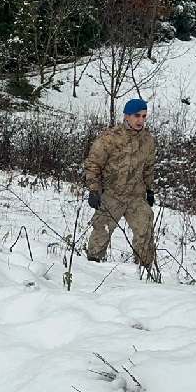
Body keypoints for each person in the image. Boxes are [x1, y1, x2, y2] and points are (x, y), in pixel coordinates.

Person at [84, 97, 157, 268]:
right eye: (137, 116)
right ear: (126, 116)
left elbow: (149, 167)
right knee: (101, 230)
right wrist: (94, 190)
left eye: (144, 116)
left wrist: (149, 190)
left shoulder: (148, 140)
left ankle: (146, 271)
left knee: (145, 230)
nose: (141, 120)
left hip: (136, 196)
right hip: (112, 194)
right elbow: (93, 164)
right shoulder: (109, 138)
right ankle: (91, 267)